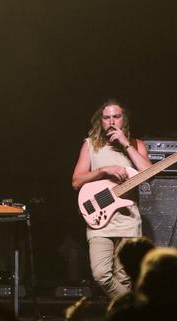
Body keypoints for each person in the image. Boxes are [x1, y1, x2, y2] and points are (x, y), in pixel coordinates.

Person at [71, 100, 152, 299]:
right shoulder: (90, 145)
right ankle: (135, 308)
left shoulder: (136, 145)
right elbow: (76, 181)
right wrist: (103, 170)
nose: (111, 121)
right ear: (101, 121)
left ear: (124, 119)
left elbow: (149, 175)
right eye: (107, 117)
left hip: (128, 221)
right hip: (100, 220)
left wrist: (126, 145)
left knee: (124, 279)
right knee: (101, 274)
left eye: (116, 116)